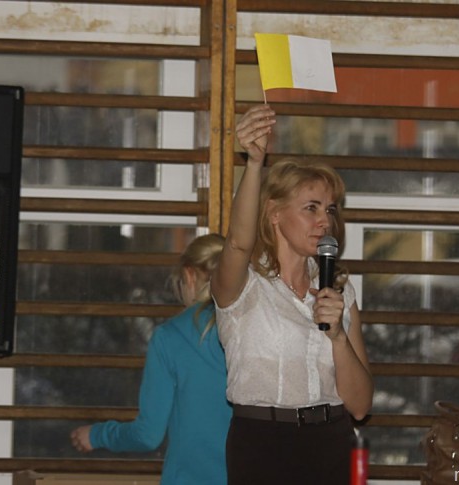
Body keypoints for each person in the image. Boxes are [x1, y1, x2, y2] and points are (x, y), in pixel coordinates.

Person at [211, 104, 374, 485]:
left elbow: (361, 406)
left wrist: (338, 337)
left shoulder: (340, 289)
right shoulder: (245, 285)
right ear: (274, 213)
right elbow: (237, 243)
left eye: (329, 210)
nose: (324, 221)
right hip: (264, 443)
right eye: (310, 208)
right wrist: (254, 163)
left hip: (332, 442)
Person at [70, 233, 231, 485]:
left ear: (189, 276)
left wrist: (97, 435)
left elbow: (148, 435)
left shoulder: (170, 337)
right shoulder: (252, 330)